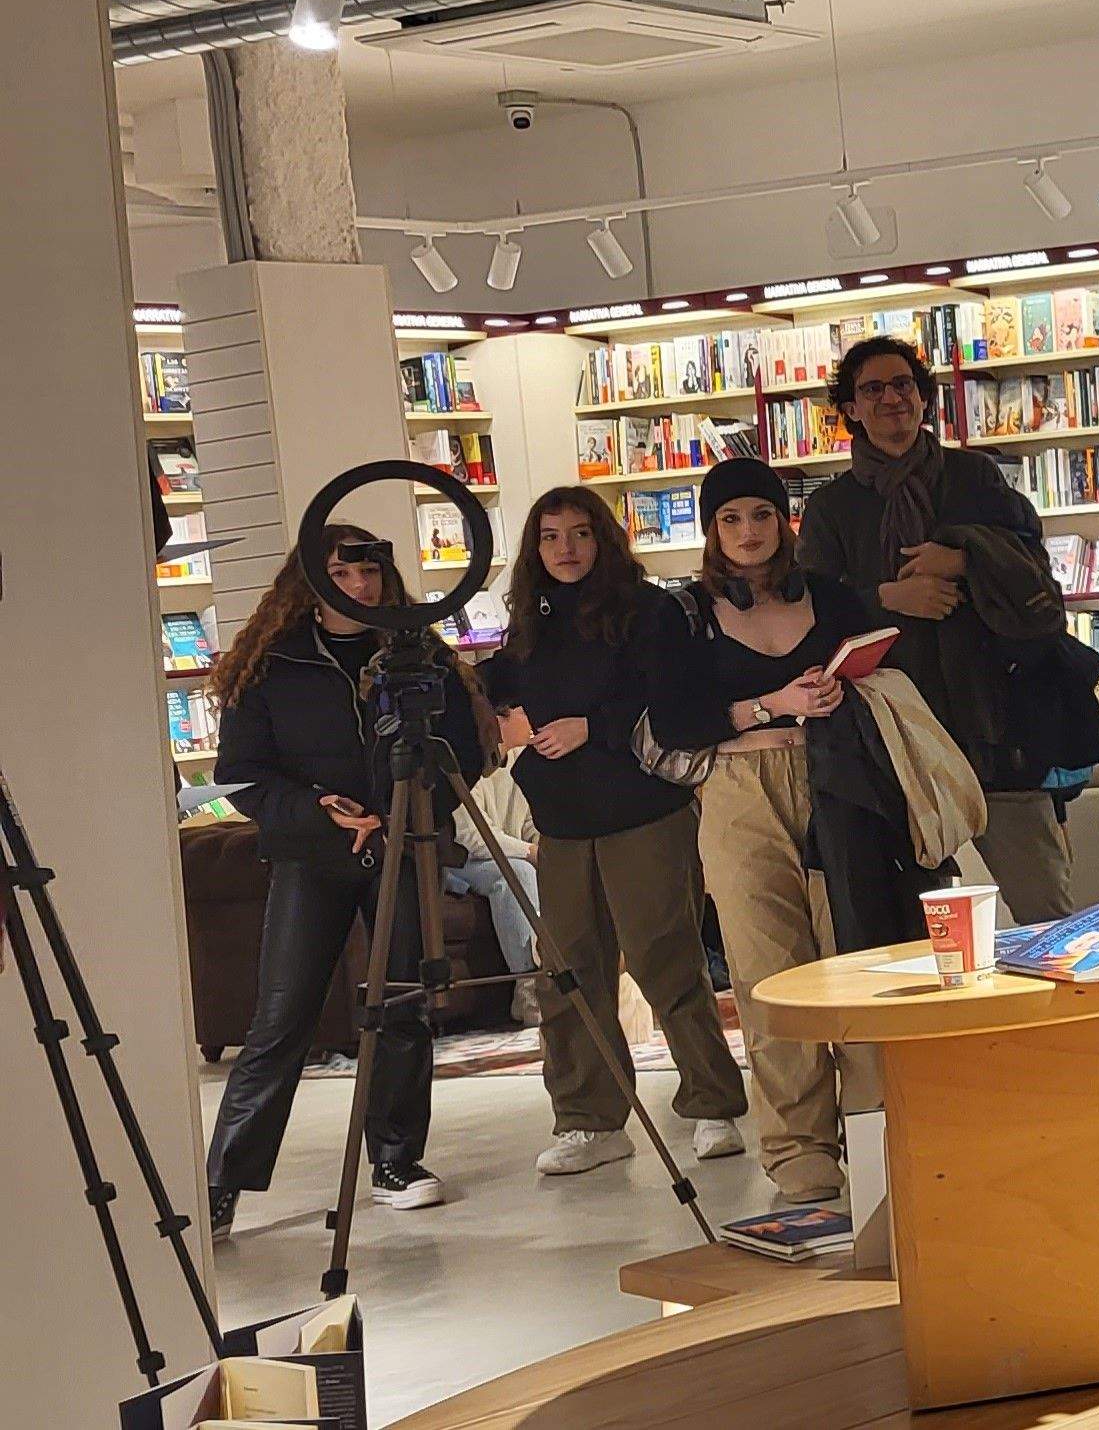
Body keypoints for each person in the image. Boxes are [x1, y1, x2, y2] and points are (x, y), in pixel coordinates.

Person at [203, 526, 488, 1237]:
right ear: (312, 581)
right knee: (282, 1015)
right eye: (342, 572)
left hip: (405, 841)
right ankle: (222, 1183)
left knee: (402, 1004)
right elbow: (241, 775)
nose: (360, 587)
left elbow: (465, 754)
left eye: (370, 572)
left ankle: (397, 1161)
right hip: (313, 851)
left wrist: (414, 810)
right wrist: (319, 812)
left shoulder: (420, 658)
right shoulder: (271, 664)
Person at [482, 486, 748, 1178]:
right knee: (566, 973)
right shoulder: (529, 625)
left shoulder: (651, 610)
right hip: (563, 822)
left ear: (603, 538)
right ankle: (589, 1119)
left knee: (667, 958)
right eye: (549, 537)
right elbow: (501, 685)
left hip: (643, 811)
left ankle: (713, 1103)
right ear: (534, 549)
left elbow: (675, 699)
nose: (564, 549)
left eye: (578, 533)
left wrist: (593, 728)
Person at [797, 335, 1099, 925]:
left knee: (1045, 904)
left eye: (903, 384)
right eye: (873, 389)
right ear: (851, 409)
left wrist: (963, 559)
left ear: (924, 397)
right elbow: (813, 613)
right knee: (918, 920)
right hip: (898, 738)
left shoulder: (974, 477)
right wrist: (888, 597)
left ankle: (1065, 1017)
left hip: (995, 719)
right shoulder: (833, 507)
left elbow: (1037, 576)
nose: (891, 399)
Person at [651, 457, 882, 1202]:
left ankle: (878, 1120)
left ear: (783, 521)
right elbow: (677, 722)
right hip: (738, 790)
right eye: (729, 519)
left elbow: (879, 671)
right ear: (711, 530)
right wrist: (772, 703)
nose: (747, 532)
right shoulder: (682, 613)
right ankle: (797, 1145)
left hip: (835, 783)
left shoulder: (832, 596)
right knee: (767, 966)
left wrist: (839, 688)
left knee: (857, 950)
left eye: (759, 515)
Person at [441, 764, 543, 1025]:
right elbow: (470, 837)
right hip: (461, 860)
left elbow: (531, 821)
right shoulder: (469, 760)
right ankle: (529, 989)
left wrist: (548, 850)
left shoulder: (522, 758)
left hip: (506, 852)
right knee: (517, 872)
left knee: (557, 867)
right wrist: (529, 851)